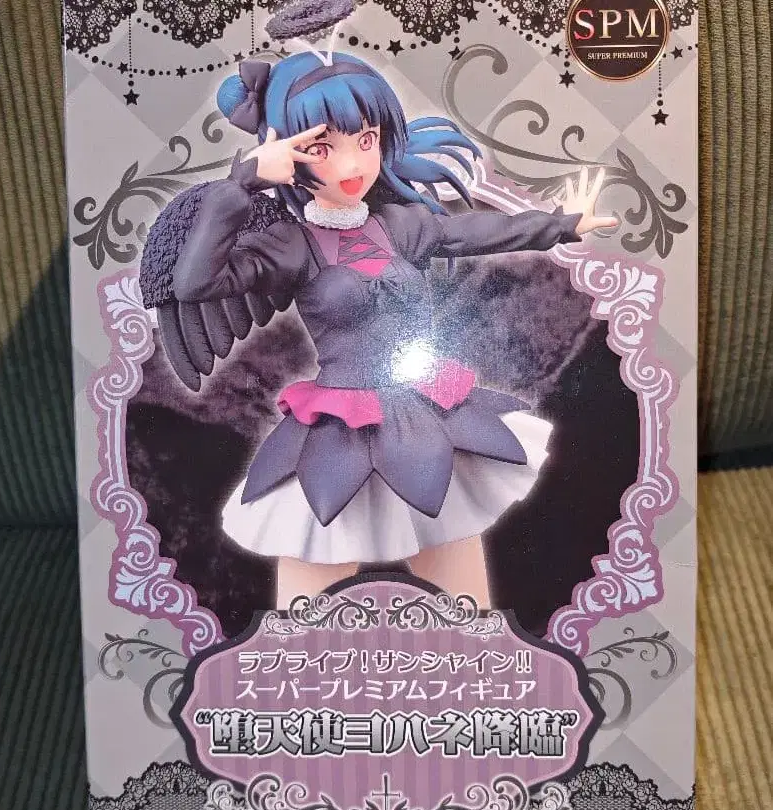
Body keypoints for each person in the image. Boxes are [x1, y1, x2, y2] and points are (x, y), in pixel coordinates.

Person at [156, 50, 617, 609]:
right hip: (341, 426)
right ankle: (303, 665)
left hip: (424, 412)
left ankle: (471, 659)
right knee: (312, 577)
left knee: (457, 576)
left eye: (366, 139)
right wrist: (243, 183)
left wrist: (563, 224)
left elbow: (479, 232)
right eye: (322, 147)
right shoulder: (289, 245)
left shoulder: (400, 224)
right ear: (287, 152)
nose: (352, 163)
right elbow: (195, 283)